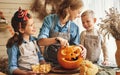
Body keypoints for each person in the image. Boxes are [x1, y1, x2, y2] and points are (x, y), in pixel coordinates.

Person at [38, 0, 86, 64]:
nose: (79, 16)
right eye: (78, 12)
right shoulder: (49, 20)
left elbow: (74, 48)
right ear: (69, 8)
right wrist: (57, 39)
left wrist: (82, 49)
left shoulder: (75, 27)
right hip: (48, 63)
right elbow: (40, 42)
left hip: (66, 64)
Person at [6, 8, 45, 75]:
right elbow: (12, 68)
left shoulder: (35, 41)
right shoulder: (14, 45)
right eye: (31, 25)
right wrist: (26, 73)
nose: (34, 27)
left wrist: (43, 64)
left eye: (33, 24)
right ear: (21, 29)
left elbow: (40, 57)